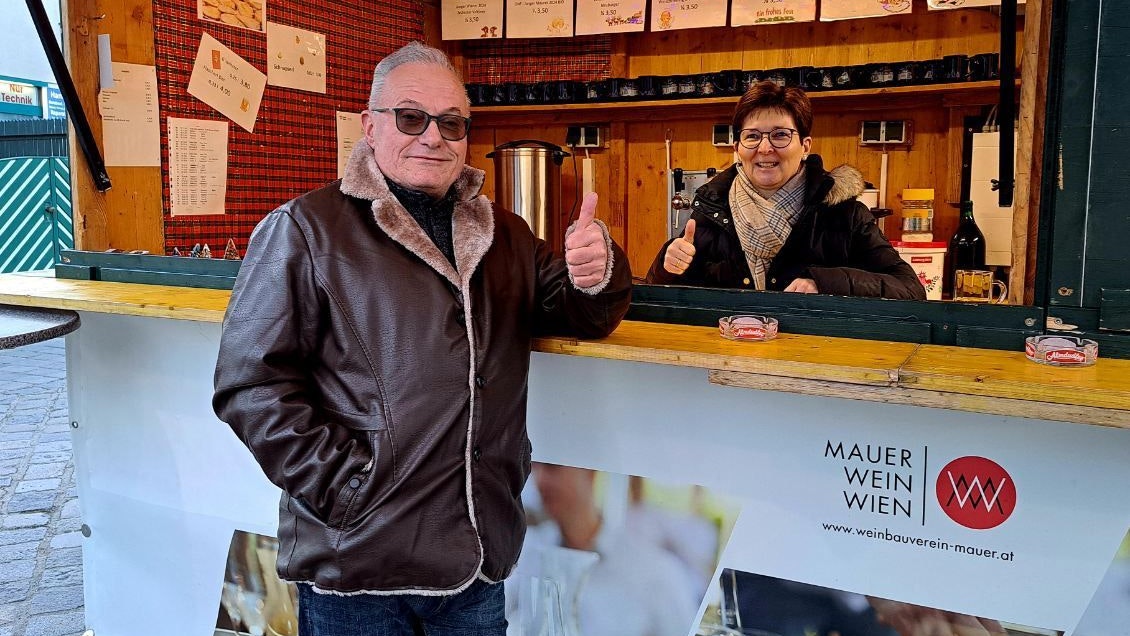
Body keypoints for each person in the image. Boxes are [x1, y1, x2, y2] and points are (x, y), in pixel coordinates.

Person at [212, 41, 632, 636]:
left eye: (452, 123)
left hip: (477, 562)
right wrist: (348, 489)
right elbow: (250, 384)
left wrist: (598, 269)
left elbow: (581, 310)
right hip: (358, 564)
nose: (433, 137)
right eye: (411, 117)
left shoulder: (506, 235)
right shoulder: (304, 229)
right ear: (370, 127)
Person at [646, 81, 925, 300]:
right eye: (752, 136)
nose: (765, 148)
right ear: (737, 148)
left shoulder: (845, 215)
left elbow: (910, 289)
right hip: (733, 356)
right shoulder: (711, 211)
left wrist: (824, 283)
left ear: (805, 146)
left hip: (814, 358)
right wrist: (666, 265)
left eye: (780, 135)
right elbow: (660, 292)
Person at [509, 463, 701, 636]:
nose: (540, 480)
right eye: (535, 467)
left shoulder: (656, 571)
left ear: (591, 471)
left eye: (553, 468)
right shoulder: (527, 551)